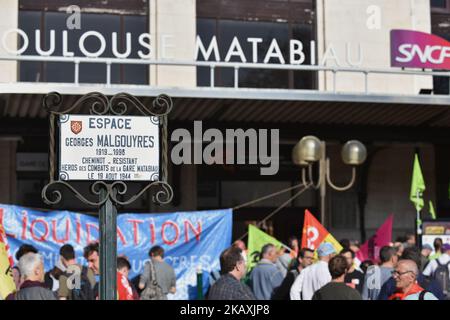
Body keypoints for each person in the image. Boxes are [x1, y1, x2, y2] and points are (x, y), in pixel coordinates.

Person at [378, 246, 445, 300]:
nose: (395, 276)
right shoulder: (433, 284)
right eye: (395, 272)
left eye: (399, 273)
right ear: (420, 262)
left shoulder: (390, 283)